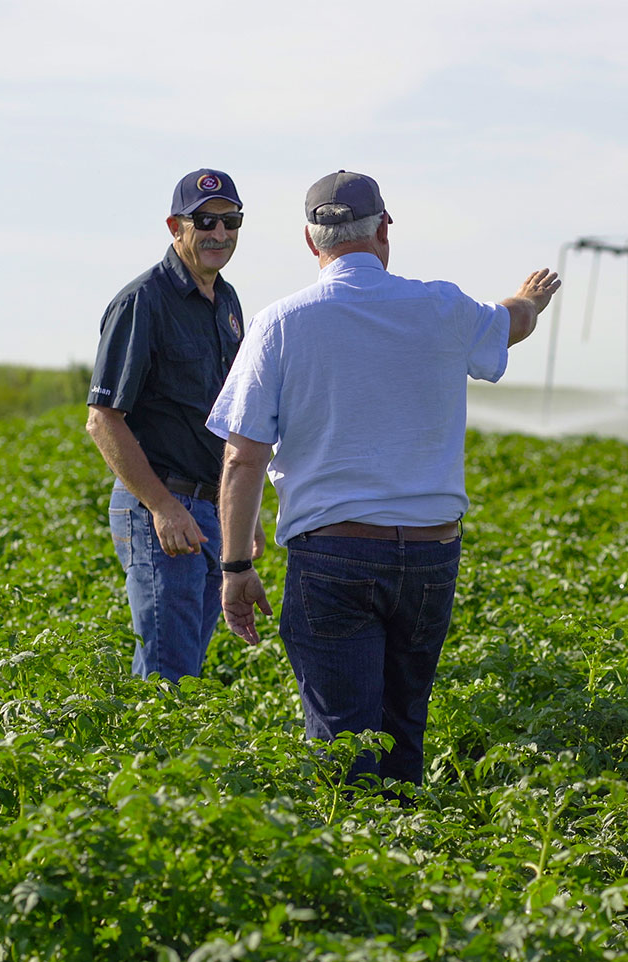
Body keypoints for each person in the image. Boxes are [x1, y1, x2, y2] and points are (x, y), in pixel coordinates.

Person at [206, 169, 559, 787]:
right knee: (403, 728)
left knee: (343, 742)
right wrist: (529, 298)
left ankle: (356, 864)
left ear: (311, 243)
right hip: (430, 555)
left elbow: (243, 458)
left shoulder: (281, 323)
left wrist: (236, 567)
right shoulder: (442, 308)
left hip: (333, 555)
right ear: (385, 230)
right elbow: (511, 324)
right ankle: (409, 858)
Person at [86, 168, 263, 682]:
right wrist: (161, 506)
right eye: (205, 220)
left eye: (232, 221)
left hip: (211, 509)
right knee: (169, 679)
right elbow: (103, 420)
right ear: (175, 225)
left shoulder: (226, 302)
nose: (220, 233)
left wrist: (242, 513)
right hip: (163, 510)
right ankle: (146, 765)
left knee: (182, 673)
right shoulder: (144, 300)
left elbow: (230, 413)